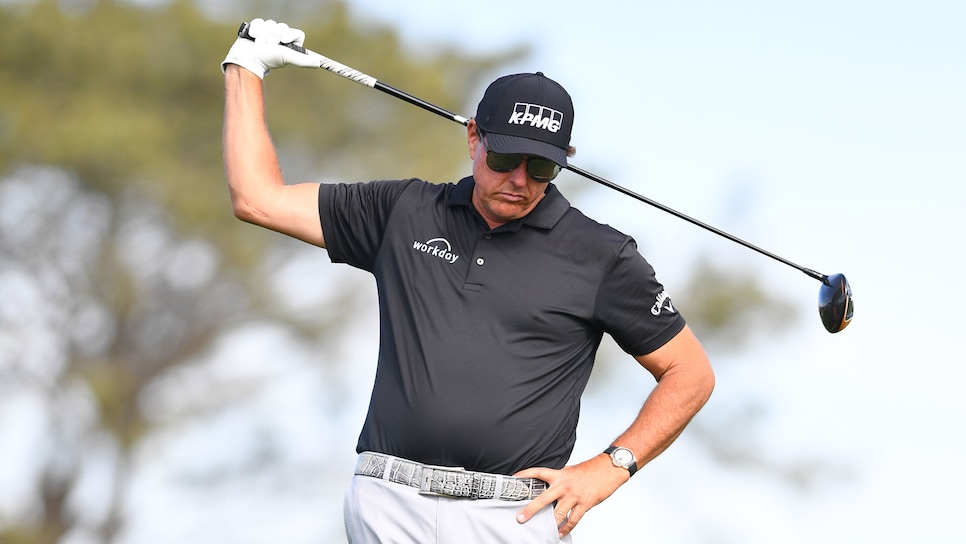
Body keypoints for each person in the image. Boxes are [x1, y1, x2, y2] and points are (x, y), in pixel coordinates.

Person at [221, 18, 714, 543]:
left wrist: (610, 468)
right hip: (388, 501)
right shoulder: (403, 211)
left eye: (541, 167)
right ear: (474, 136)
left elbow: (690, 372)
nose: (519, 180)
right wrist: (246, 67)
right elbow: (257, 199)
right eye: (504, 158)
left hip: (511, 518)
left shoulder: (600, 254)